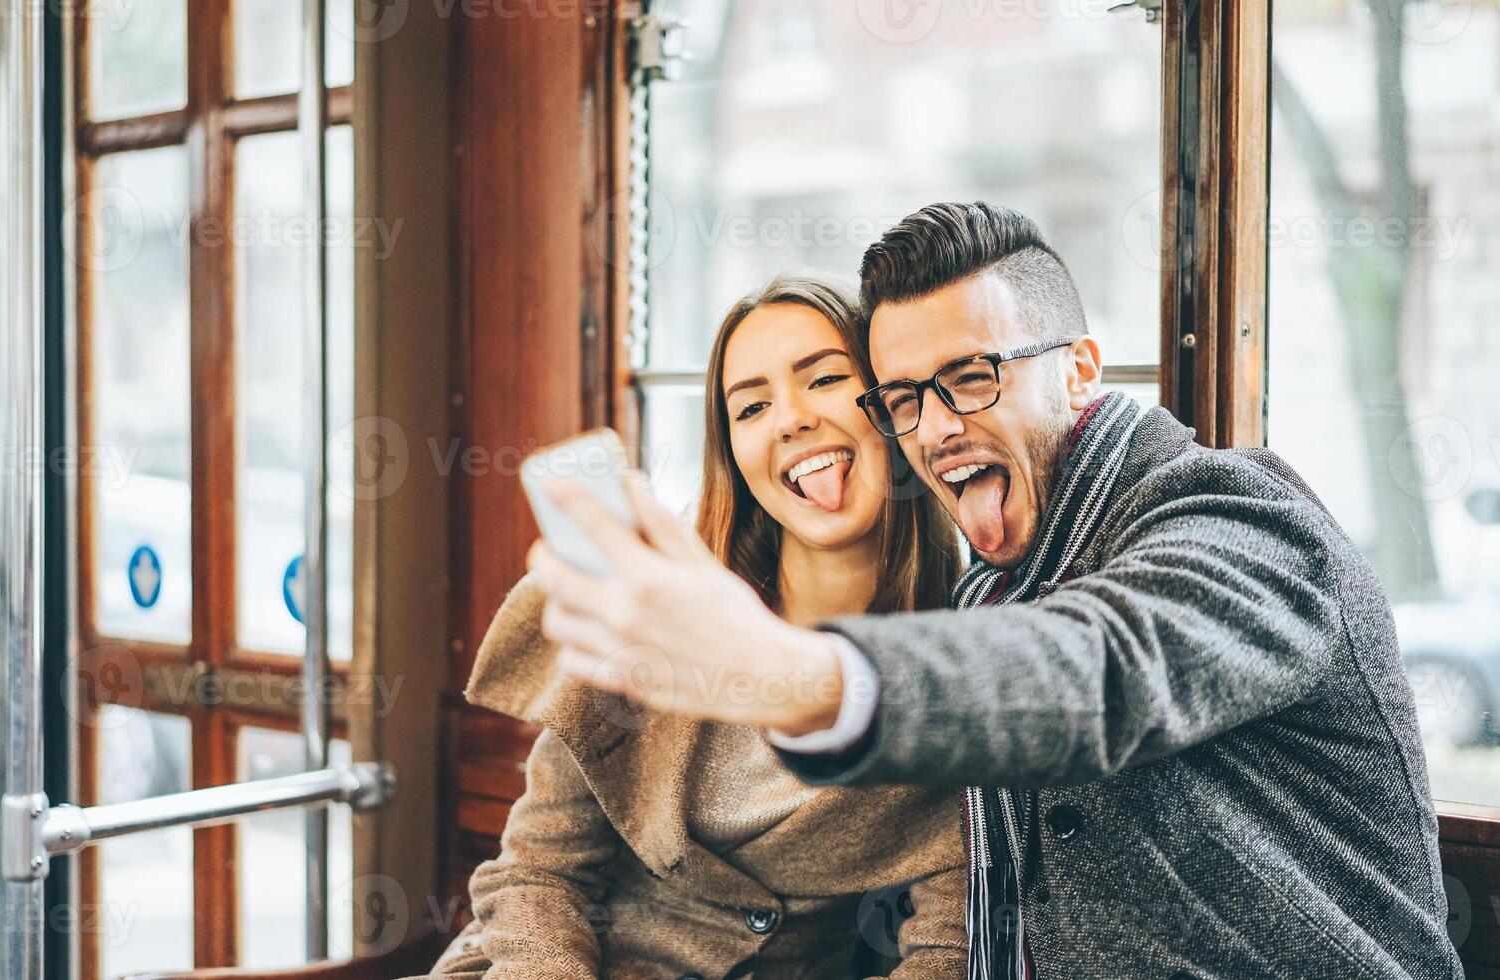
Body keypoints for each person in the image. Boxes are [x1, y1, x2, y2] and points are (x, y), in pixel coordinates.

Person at [527, 204, 1464, 979]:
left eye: (970, 378)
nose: (933, 428)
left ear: (1080, 368)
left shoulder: (1237, 512)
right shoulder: (986, 592)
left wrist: (785, 670)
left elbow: (1105, 665)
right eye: (901, 398)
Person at [429, 276, 969, 979]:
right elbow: (536, 872)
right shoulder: (659, 610)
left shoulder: (955, 676)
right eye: (751, 406)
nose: (789, 419)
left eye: (825, 378)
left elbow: (947, 951)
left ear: (892, 407)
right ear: (735, 456)